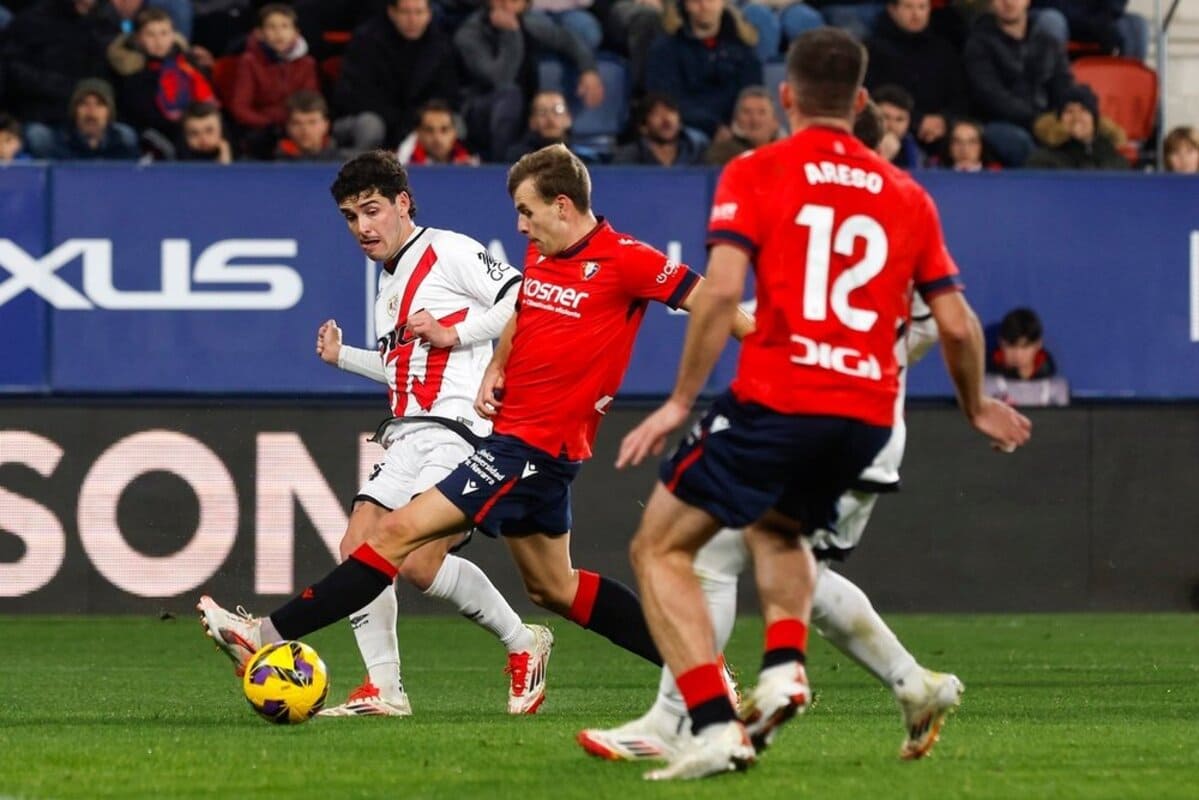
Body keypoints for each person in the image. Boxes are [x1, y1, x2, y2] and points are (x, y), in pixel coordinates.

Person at [615, 28, 1030, 780]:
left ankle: (709, 723)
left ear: (785, 96)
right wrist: (975, 408)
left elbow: (717, 295)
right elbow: (960, 324)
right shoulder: (907, 194)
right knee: (777, 529)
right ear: (864, 101)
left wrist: (679, 399)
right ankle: (783, 666)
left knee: (658, 548)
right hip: (867, 416)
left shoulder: (756, 169)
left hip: (782, 394)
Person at [197, 144, 753, 701]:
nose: (519, 225)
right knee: (553, 587)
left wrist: (768, 354)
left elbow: (717, 299)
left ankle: (264, 634)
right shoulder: (542, 253)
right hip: (526, 440)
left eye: (526, 211)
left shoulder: (627, 259)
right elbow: (523, 311)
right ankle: (705, 668)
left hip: (531, 444)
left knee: (393, 536)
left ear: (562, 205)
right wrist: (494, 366)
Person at [578, 111, 964, 767]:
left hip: (810, 410)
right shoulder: (900, 204)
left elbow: (732, 293)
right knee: (786, 556)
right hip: (871, 425)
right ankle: (908, 683)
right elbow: (945, 323)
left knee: (706, 556)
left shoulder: (808, 194)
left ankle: (686, 719)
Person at [332, 0, 458, 151]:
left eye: (419, 12)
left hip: (422, 118)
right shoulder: (366, 41)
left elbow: (446, 92)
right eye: (406, 12)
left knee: (454, 125)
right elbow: (358, 93)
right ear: (392, 13)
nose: (412, 19)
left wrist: (418, 119)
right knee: (371, 126)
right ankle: (362, 170)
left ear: (429, 14)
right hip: (375, 116)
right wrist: (399, 122)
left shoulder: (441, 46)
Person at [962, 0, 1073, 167]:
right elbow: (991, 97)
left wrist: (1066, 116)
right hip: (997, 123)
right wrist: (1038, 121)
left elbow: (1063, 84)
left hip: (1046, 120)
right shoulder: (978, 44)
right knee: (1018, 141)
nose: (1008, 2)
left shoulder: (1048, 42)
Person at [645, 0, 763, 138]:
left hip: (736, 131)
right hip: (685, 132)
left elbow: (752, 94)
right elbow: (665, 100)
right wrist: (712, 127)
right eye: (696, 1)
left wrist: (736, 128)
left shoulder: (743, 49)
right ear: (686, 5)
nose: (705, 6)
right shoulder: (664, 49)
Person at [228, 3, 318, 158]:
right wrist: (269, 124)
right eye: (271, 27)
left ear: (296, 33)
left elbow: (310, 102)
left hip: (296, 126)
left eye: (284, 26)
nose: (279, 33)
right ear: (259, 33)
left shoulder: (307, 63)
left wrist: (295, 125)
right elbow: (240, 108)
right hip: (264, 130)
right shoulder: (249, 61)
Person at [1026, 83, 1128, 171]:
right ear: (1059, 120)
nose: (1076, 117)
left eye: (1083, 110)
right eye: (1069, 111)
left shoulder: (1115, 160)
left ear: (1094, 119)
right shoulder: (1042, 161)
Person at [612, 92, 707, 166]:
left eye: (671, 112)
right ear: (643, 128)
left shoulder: (695, 153)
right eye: (656, 114)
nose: (666, 119)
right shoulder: (628, 157)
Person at [703, 85, 782, 166]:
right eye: (746, 112)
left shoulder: (786, 154)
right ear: (736, 119)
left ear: (775, 121)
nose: (754, 119)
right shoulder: (720, 154)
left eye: (762, 112)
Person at [397, 100, 479, 165]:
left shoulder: (469, 161)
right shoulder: (404, 164)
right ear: (418, 133)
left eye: (444, 130)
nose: (437, 138)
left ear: (454, 133)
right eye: (429, 130)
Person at [988, 307, 1056, 380]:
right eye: (1011, 346)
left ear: (1038, 345)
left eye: (1025, 347)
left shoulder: (1057, 387)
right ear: (1000, 342)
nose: (1017, 355)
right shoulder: (983, 383)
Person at [273, 90, 341, 161]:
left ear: (326, 125)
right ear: (287, 127)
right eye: (297, 123)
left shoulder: (344, 165)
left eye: (312, 122)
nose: (305, 129)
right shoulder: (272, 164)